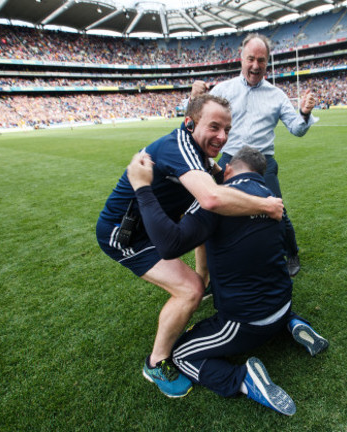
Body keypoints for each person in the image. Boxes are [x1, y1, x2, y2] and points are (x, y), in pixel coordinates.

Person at [96, 94, 284, 398]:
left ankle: (204, 283)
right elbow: (211, 198)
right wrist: (267, 204)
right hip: (125, 236)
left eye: (227, 129)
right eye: (214, 127)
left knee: (198, 275)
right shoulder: (179, 146)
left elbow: (218, 189)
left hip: (153, 226)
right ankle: (155, 363)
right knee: (189, 290)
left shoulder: (199, 156)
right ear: (189, 122)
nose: (222, 137)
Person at [126, 145, 329, 415]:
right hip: (283, 302)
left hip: (248, 322)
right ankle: (293, 323)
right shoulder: (272, 199)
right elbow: (287, 242)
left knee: (180, 354)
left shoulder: (218, 202)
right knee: (263, 273)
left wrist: (142, 188)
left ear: (229, 169)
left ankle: (244, 380)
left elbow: (169, 244)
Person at [191, 33, 317, 277]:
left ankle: (291, 253)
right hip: (229, 159)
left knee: (277, 210)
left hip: (263, 163)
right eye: (251, 59)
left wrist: (303, 113)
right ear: (241, 59)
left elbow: (297, 129)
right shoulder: (223, 90)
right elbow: (198, 117)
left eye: (261, 60)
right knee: (213, 208)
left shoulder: (277, 95)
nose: (255, 66)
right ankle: (216, 264)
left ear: (267, 62)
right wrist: (194, 97)